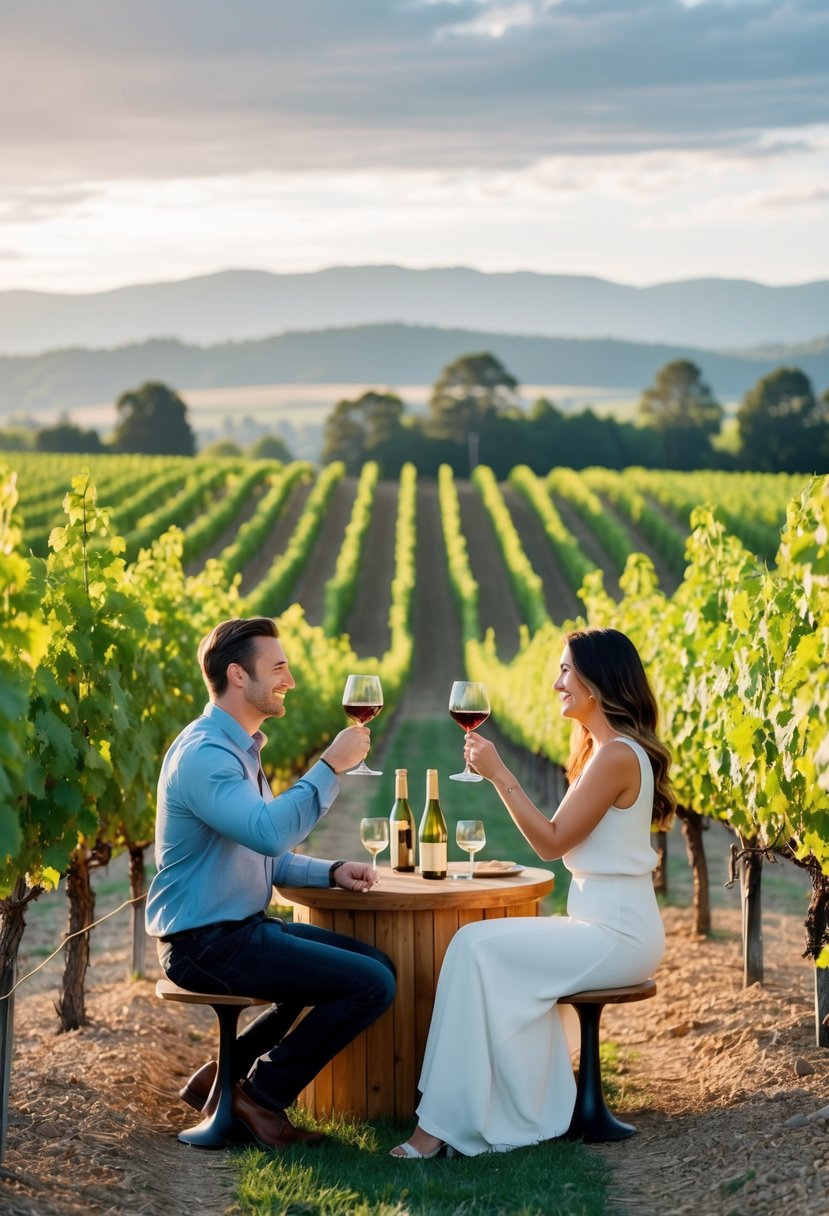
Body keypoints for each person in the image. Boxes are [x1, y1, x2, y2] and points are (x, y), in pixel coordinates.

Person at [391, 627, 674, 1159]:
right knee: (471, 944)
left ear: (598, 680)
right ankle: (455, 1112)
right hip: (597, 924)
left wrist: (500, 776)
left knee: (477, 947)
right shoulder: (602, 752)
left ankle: (440, 1128)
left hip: (618, 933)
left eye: (567, 670)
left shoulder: (616, 755)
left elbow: (551, 843)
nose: (556, 683)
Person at [145, 616, 396, 1151]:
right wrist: (330, 765)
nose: (290, 680)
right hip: (205, 943)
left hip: (238, 930)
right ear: (238, 675)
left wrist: (328, 871)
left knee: (379, 968)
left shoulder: (237, 747)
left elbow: (264, 855)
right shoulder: (206, 757)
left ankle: (225, 1078)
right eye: (278, 668)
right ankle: (259, 1098)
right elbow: (268, 831)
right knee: (370, 986)